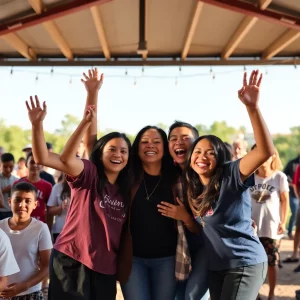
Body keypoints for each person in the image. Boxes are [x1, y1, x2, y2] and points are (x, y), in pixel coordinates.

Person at [26, 93, 131, 299]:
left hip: (105, 267)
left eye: (124, 151)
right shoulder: (89, 173)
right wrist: (37, 124)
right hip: (71, 259)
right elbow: (48, 157)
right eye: (112, 149)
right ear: (100, 153)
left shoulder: (128, 187)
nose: (118, 154)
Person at [184, 70, 274, 300]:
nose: (202, 157)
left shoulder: (231, 174)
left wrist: (252, 108)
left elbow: (265, 151)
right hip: (218, 267)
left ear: (220, 156)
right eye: (197, 152)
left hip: (245, 263)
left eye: (210, 153)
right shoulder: (194, 187)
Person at [120, 125, 180, 300]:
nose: (150, 145)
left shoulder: (178, 177)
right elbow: (95, 150)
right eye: (144, 142)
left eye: (156, 141)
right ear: (136, 148)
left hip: (167, 260)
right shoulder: (126, 176)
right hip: (133, 260)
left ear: (166, 147)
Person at [159, 120, 209, 300]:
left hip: (206, 245)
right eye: (173, 138)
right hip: (178, 246)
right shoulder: (166, 173)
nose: (178, 142)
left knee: (192, 296)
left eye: (185, 138)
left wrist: (186, 217)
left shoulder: (208, 173)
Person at [0, 182, 52, 299]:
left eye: (27, 201)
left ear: (35, 204)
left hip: (30, 293)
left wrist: (23, 286)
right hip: (2, 294)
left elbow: (47, 266)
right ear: (9, 201)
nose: (22, 205)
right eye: (17, 200)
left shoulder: (41, 228)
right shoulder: (1, 227)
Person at [250, 145, 289, 300]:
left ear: (273, 156)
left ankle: (271, 294)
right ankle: (255, 292)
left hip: (271, 228)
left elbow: (285, 200)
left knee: (271, 262)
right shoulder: (249, 177)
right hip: (251, 228)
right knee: (253, 264)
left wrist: (283, 221)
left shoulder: (279, 177)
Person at [14, 152, 52, 226]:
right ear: (26, 164)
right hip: (21, 225)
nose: (35, 165)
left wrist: (49, 229)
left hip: (39, 225)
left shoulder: (48, 186)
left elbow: (49, 211)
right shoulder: (17, 184)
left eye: (38, 163)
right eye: (32, 162)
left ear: (42, 165)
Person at [47, 175, 71, 243]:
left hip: (79, 231)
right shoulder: (58, 187)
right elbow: (50, 211)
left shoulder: (84, 187)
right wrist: (60, 207)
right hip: (60, 231)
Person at [283, 148, 300, 239]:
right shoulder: (292, 163)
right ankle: (290, 231)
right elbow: (284, 175)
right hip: (293, 193)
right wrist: (291, 183)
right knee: (295, 212)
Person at [0, 153, 18, 220]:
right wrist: (3, 190)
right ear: (0, 164)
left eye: (11, 167)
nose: (8, 169)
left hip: (12, 211)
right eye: (5, 166)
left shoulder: (17, 180)